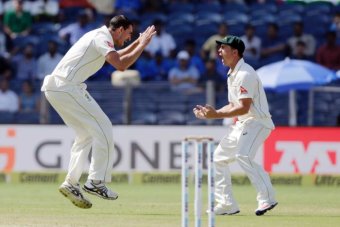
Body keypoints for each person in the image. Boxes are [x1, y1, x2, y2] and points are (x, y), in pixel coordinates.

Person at [41, 15, 156, 209]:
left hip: (58, 88)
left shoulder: (101, 38)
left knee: (85, 135)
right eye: (129, 33)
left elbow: (118, 57)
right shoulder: (101, 37)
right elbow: (121, 65)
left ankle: (71, 182)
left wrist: (138, 41)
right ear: (119, 29)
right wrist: (142, 44)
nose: (129, 38)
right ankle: (96, 181)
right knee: (104, 127)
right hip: (66, 87)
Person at [193, 35, 277, 216]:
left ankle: (267, 198)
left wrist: (215, 115)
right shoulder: (232, 74)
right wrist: (212, 113)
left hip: (258, 122)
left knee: (242, 155)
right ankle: (227, 204)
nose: (219, 52)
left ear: (235, 52)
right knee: (219, 158)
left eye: (223, 48)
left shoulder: (245, 73)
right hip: (243, 123)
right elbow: (233, 105)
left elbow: (244, 107)